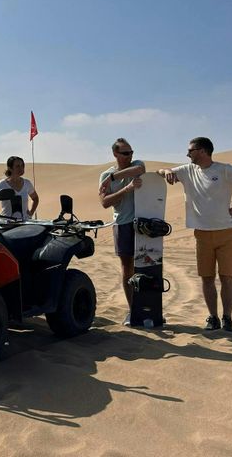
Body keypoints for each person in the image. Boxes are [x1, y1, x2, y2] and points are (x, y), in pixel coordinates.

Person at [157, 137, 232, 332]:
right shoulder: (188, 171)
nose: (187, 154)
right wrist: (167, 172)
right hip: (202, 234)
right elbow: (160, 171)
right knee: (206, 277)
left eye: (191, 150)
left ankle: (227, 318)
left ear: (203, 151)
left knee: (227, 277)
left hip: (227, 232)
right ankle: (212, 317)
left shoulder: (224, 169)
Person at [98, 138, 145, 326]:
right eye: (125, 153)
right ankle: (133, 310)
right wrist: (126, 188)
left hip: (142, 223)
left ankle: (148, 308)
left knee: (147, 266)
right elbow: (104, 202)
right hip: (123, 224)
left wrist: (114, 179)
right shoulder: (105, 175)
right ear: (115, 154)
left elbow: (139, 171)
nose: (130, 156)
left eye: (131, 152)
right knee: (128, 268)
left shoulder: (136, 165)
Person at [0, 156, 39, 221]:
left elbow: (35, 199)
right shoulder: (2, 184)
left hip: (24, 223)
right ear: (10, 168)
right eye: (17, 166)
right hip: (7, 224)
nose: (21, 168)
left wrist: (31, 213)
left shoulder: (27, 183)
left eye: (22, 165)